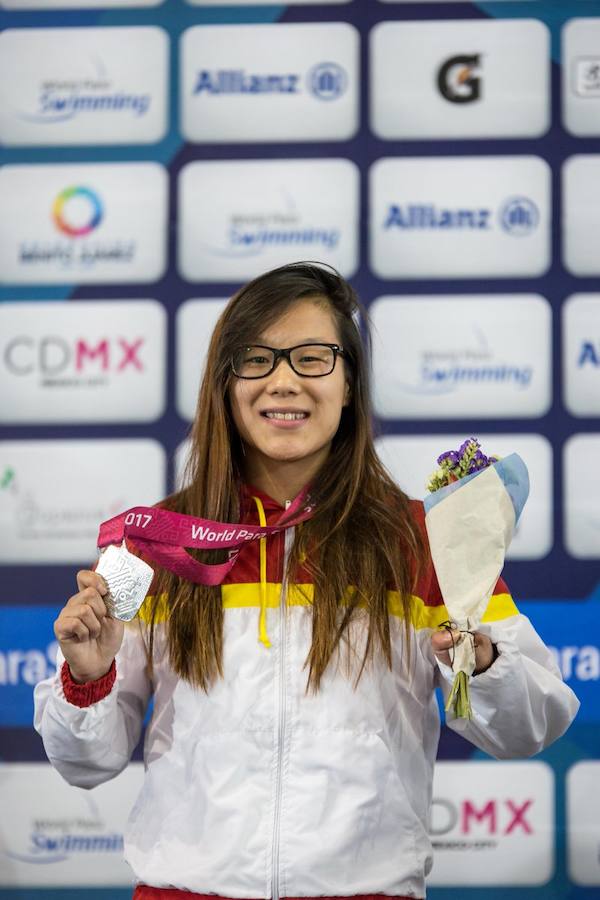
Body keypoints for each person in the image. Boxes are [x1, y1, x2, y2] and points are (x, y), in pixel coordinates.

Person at [34, 261, 579, 900]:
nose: (285, 381)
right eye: (257, 360)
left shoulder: (423, 542)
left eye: (313, 357)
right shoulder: (157, 543)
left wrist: (482, 663)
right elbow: (86, 762)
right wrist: (88, 677)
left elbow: (531, 723)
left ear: (349, 382)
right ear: (225, 385)